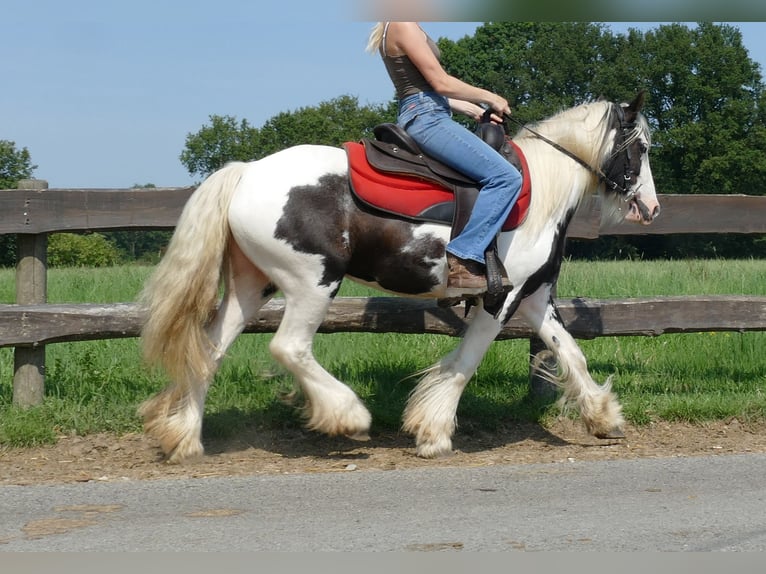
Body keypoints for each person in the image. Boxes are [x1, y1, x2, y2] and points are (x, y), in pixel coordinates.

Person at [367, 21, 521, 292]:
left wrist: (473, 110)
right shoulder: (403, 24)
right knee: (505, 177)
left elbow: (425, 88)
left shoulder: (399, 24)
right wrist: (491, 97)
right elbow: (440, 82)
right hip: (428, 119)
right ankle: (464, 257)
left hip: (426, 111)